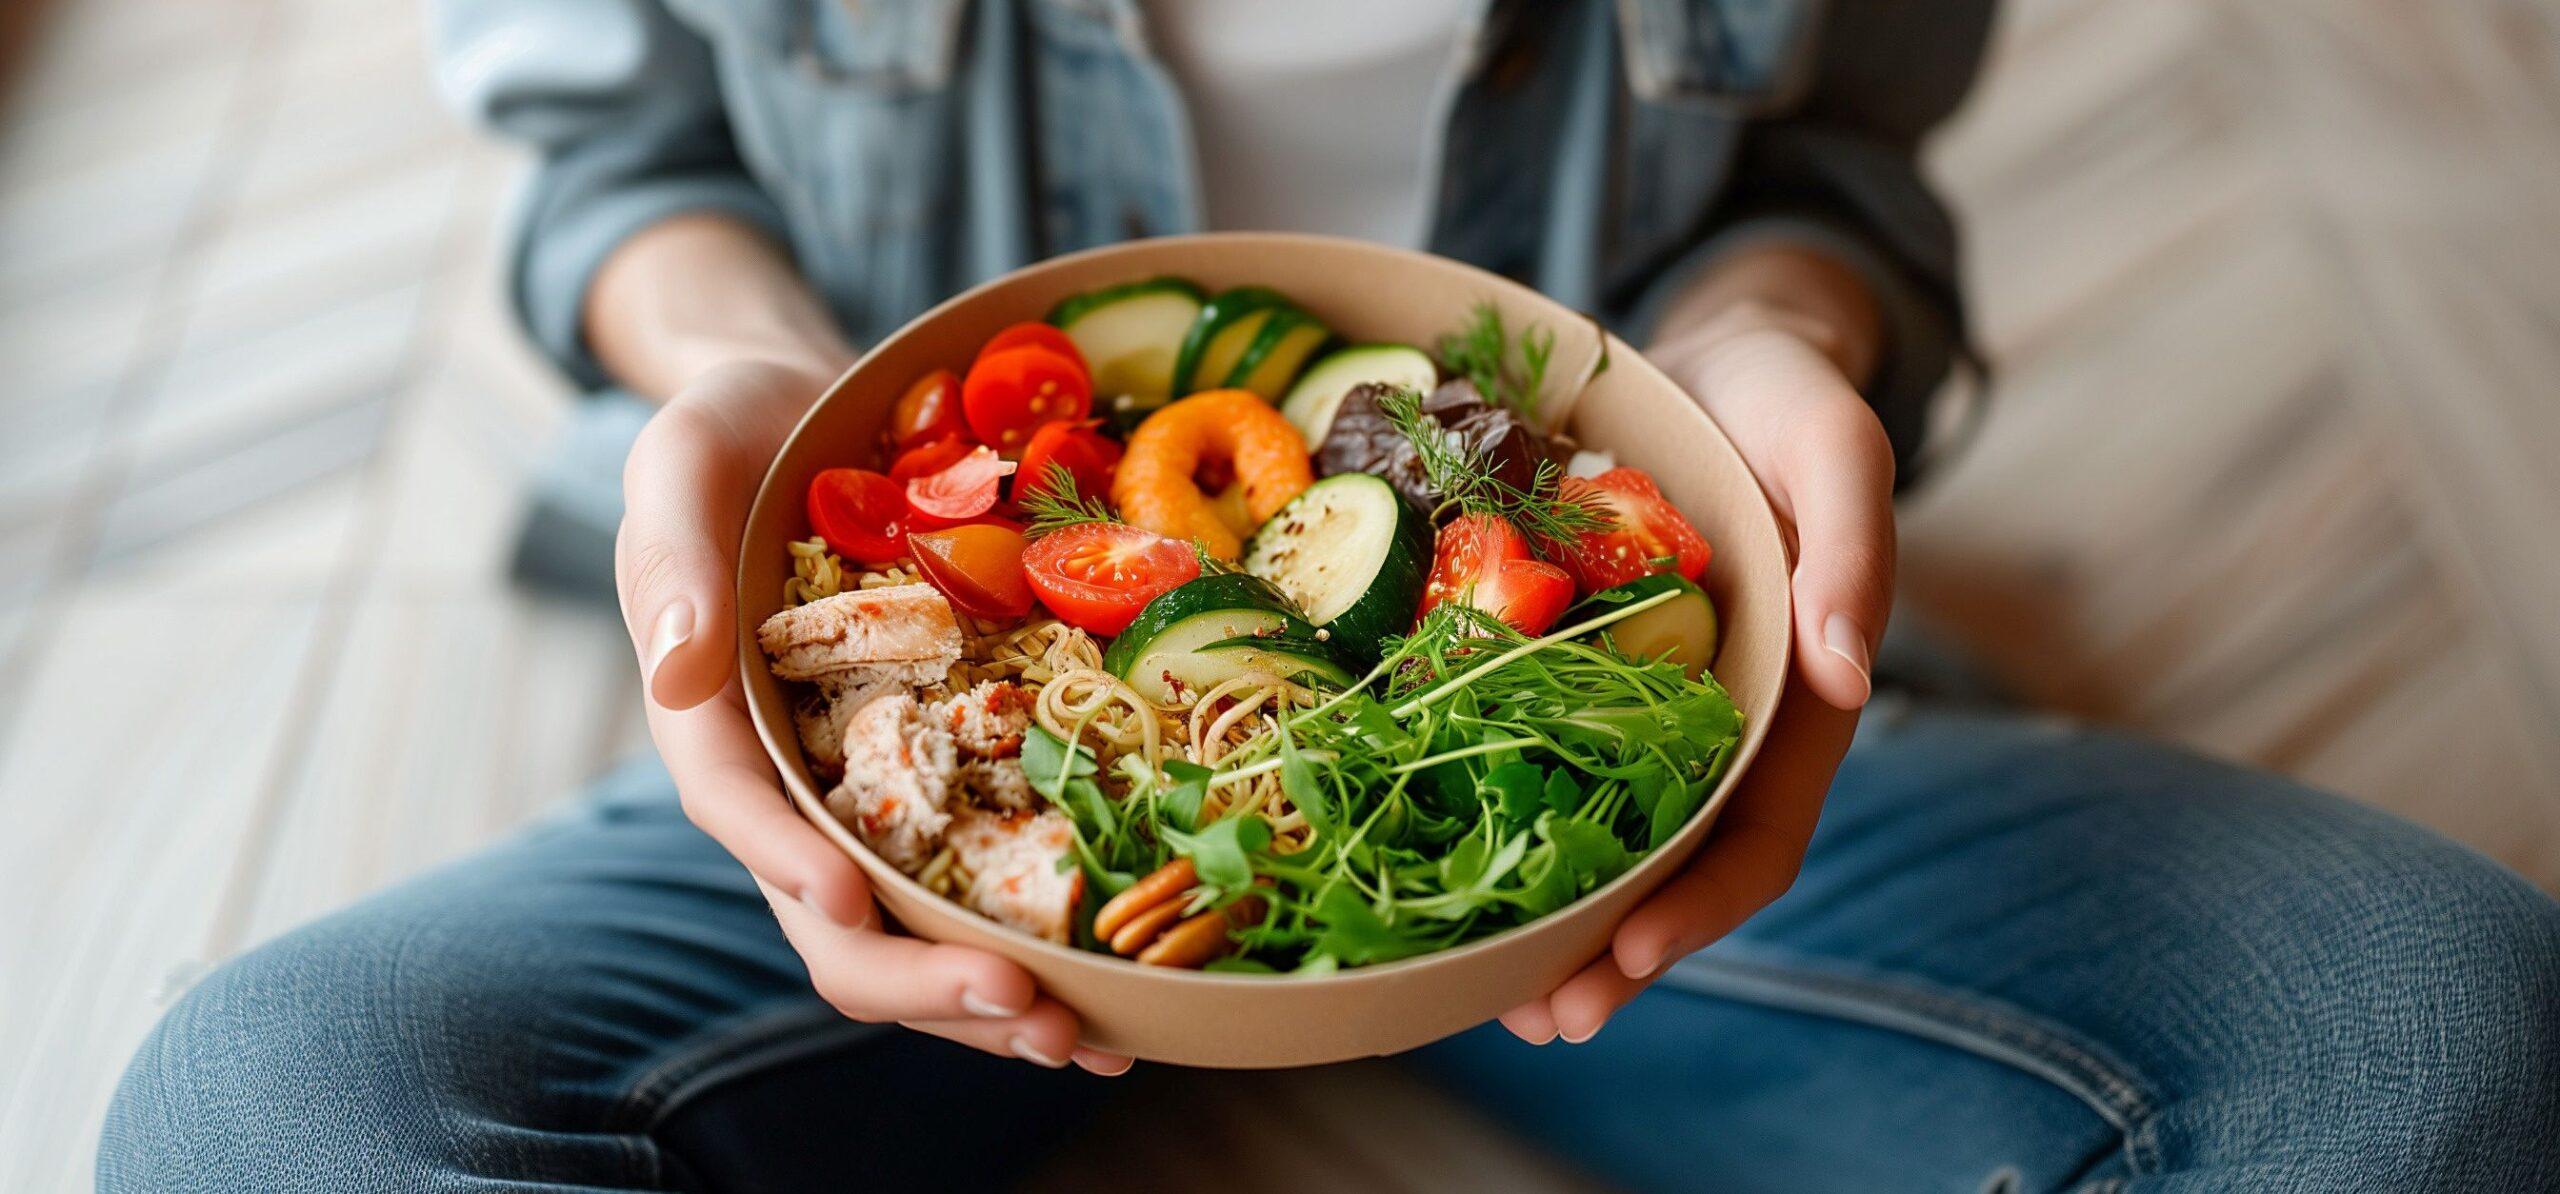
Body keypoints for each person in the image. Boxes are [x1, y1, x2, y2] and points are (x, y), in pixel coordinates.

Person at [100, 2, 2560, 1190]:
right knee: (267, 1115)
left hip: (1635, 817)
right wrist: (745, 369)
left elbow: (1828, 158)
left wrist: (1781, 358)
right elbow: (609, 148)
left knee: (2440, 1045)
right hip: (938, 842)